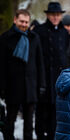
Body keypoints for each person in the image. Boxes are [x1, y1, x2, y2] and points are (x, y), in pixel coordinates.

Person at [0, 9, 45, 140]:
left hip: (30, 86)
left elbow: (39, 63)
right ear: (15, 20)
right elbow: (1, 66)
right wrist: (2, 87)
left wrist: (41, 84)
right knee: (10, 120)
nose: (24, 24)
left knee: (29, 122)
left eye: (26, 22)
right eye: (21, 21)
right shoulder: (5, 38)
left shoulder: (34, 38)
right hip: (12, 87)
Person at [33, 2, 69, 139]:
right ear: (48, 15)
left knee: (56, 111)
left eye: (58, 15)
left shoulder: (64, 32)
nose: (55, 17)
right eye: (53, 15)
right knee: (42, 111)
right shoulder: (39, 30)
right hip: (44, 77)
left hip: (59, 79)